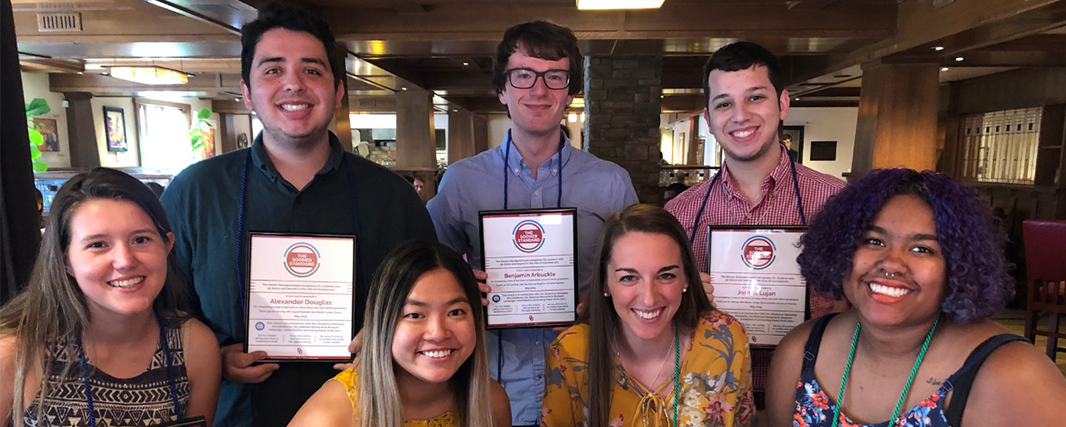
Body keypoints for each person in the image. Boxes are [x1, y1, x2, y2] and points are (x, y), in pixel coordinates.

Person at [158, 4, 437, 426]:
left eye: (312, 70)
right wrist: (214, 354)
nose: (294, 84)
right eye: (273, 70)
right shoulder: (194, 192)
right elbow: (164, 307)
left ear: (338, 91)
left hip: (368, 414)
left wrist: (390, 336)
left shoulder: (392, 196)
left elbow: (430, 300)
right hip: (235, 415)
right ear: (247, 92)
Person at [426, 21, 638, 426]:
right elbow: (426, 268)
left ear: (570, 92)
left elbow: (635, 276)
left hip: (589, 386)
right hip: (492, 390)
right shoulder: (462, 181)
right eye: (523, 75)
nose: (539, 90)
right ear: (502, 89)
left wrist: (603, 297)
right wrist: (459, 284)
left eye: (554, 76)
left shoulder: (610, 182)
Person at [766, 168, 1066, 427]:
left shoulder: (1013, 376)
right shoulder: (801, 352)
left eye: (922, 249)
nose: (891, 263)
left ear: (958, 267)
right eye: (873, 241)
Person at [0, 168, 221, 426]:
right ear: (65, 261)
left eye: (141, 239)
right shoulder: (15, 352)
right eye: (98, 245)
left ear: (167, 246)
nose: (125, 261)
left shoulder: (195, 347)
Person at [541, 204, 754, 427]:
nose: (649, 299)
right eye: (628, 278)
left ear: (687, 278)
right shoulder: (570, 352)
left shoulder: (726, 340)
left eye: (666, 275)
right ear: (605, 284)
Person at [290, 242, 510, 426]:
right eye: (415, 315)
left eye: (455, 312)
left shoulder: (491, 403)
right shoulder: (330, 416)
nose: (438, 333)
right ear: (383, 322)